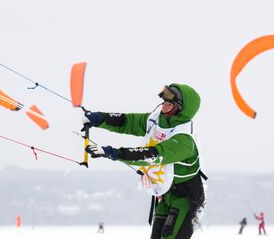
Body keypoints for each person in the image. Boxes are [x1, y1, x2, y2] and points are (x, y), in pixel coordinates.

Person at [84, 83, 206, 239]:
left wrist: (113, 152)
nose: (164, 107)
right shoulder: (157, 120)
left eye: (169, 104)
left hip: (186, 198)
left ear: (180, 109)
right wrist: (99, 118)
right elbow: (128, 122)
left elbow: (152, 155)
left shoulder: (184, 140)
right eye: (164, 103)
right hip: (165, 193)